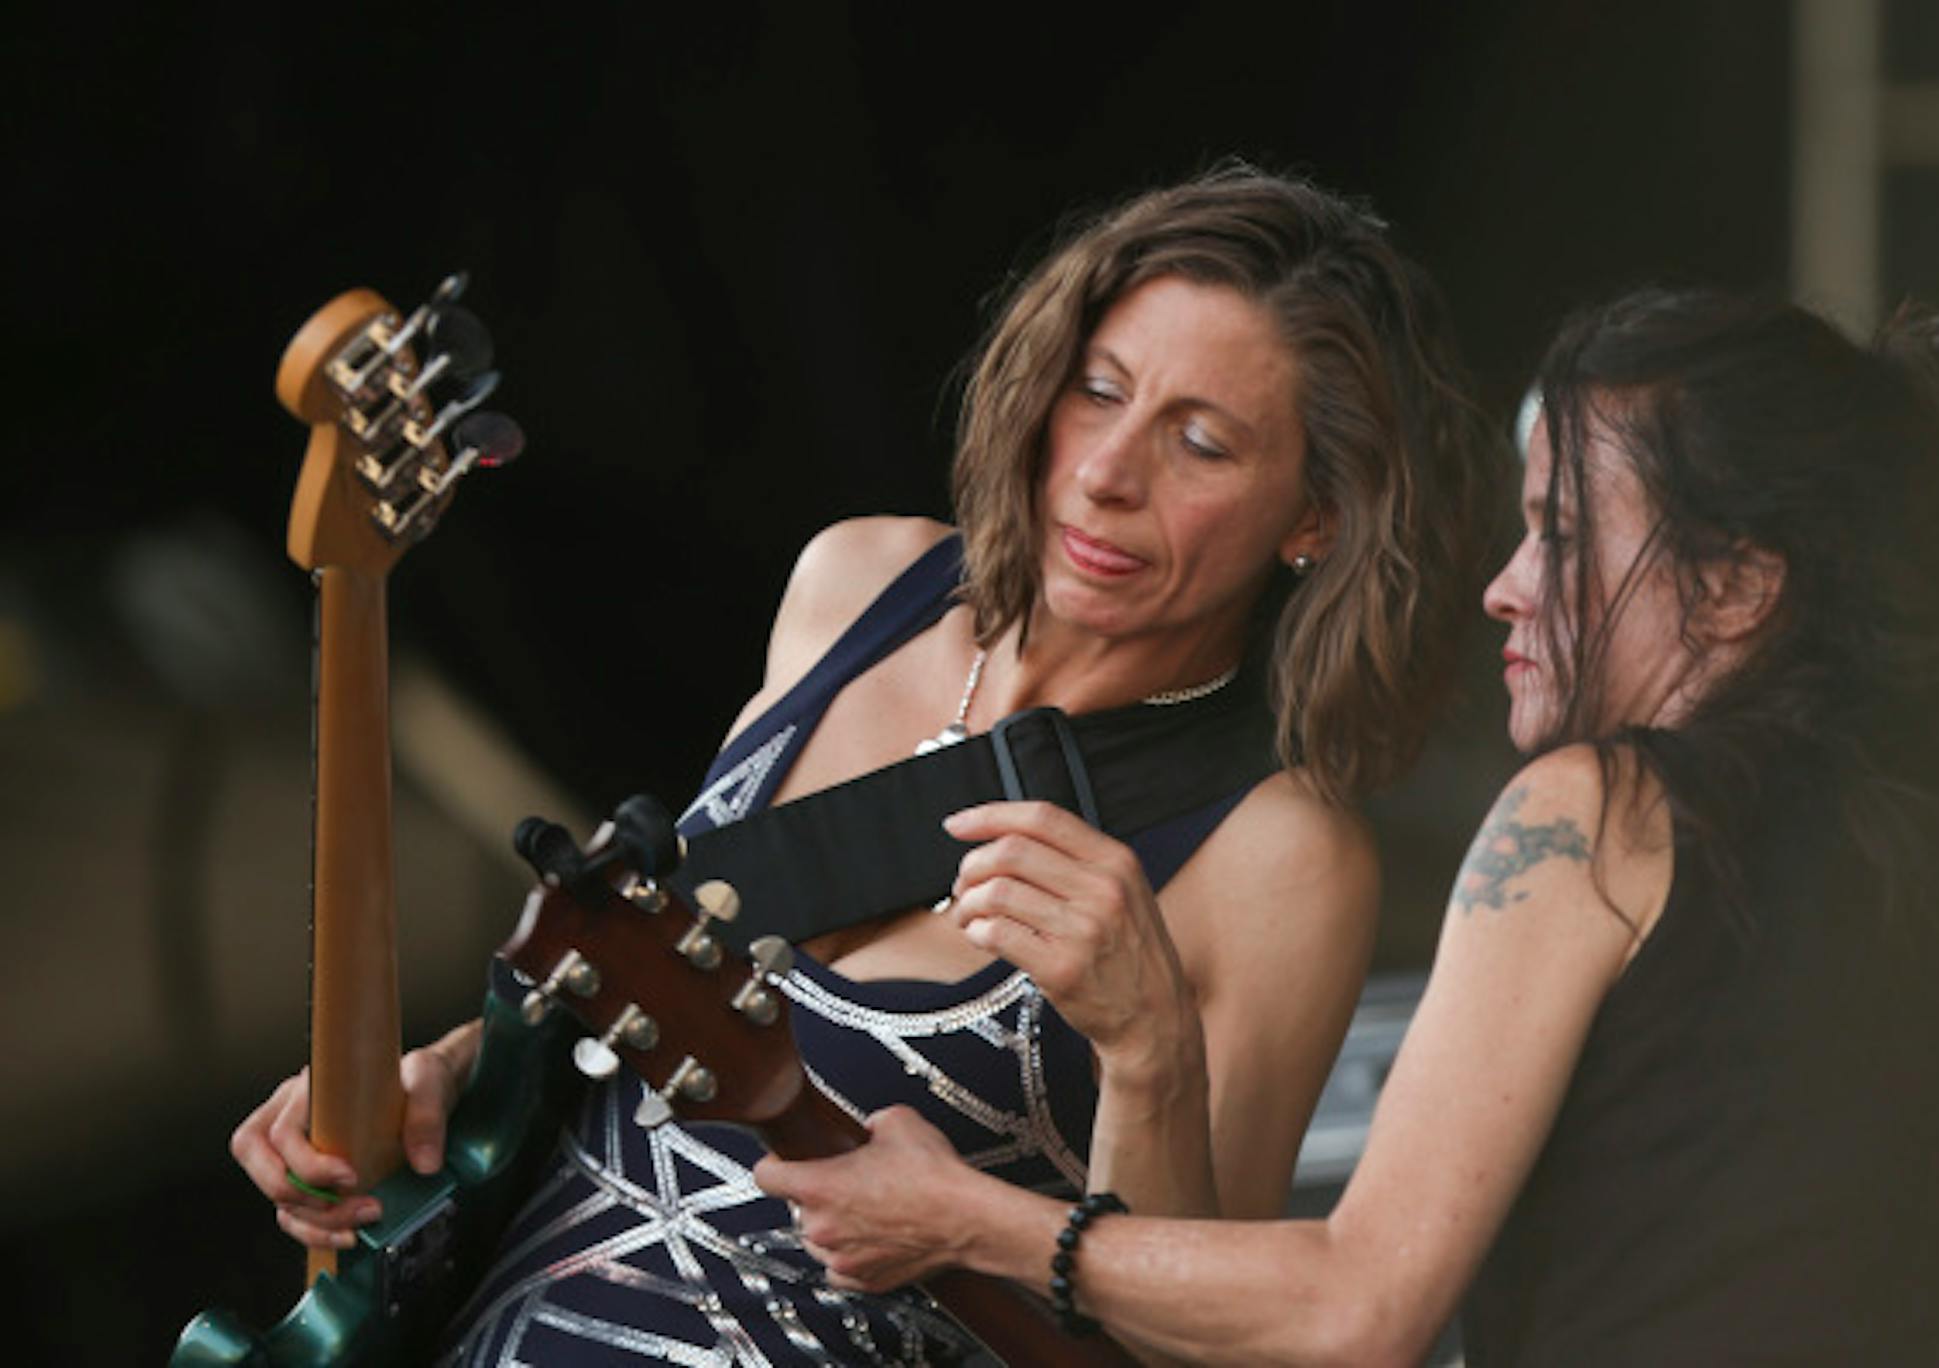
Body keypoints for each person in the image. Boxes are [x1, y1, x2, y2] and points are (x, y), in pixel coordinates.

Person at [226, 165, 1494, 1364]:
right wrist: (458, 1072)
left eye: (1201, 444)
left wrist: (1150, 1047)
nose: (1108, 475)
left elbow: (1181, 1351)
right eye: (1099, 392)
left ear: (1317, 517)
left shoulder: (1280, 854)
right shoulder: (858, 584)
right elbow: (661, 985)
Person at [759, 287, 1939, 1364]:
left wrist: (961, 1219)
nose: (1504, 587)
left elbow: (1360, 1310)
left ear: (1735, 591)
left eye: (1558, 535)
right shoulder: (1933, 901)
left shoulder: (1599, 815)